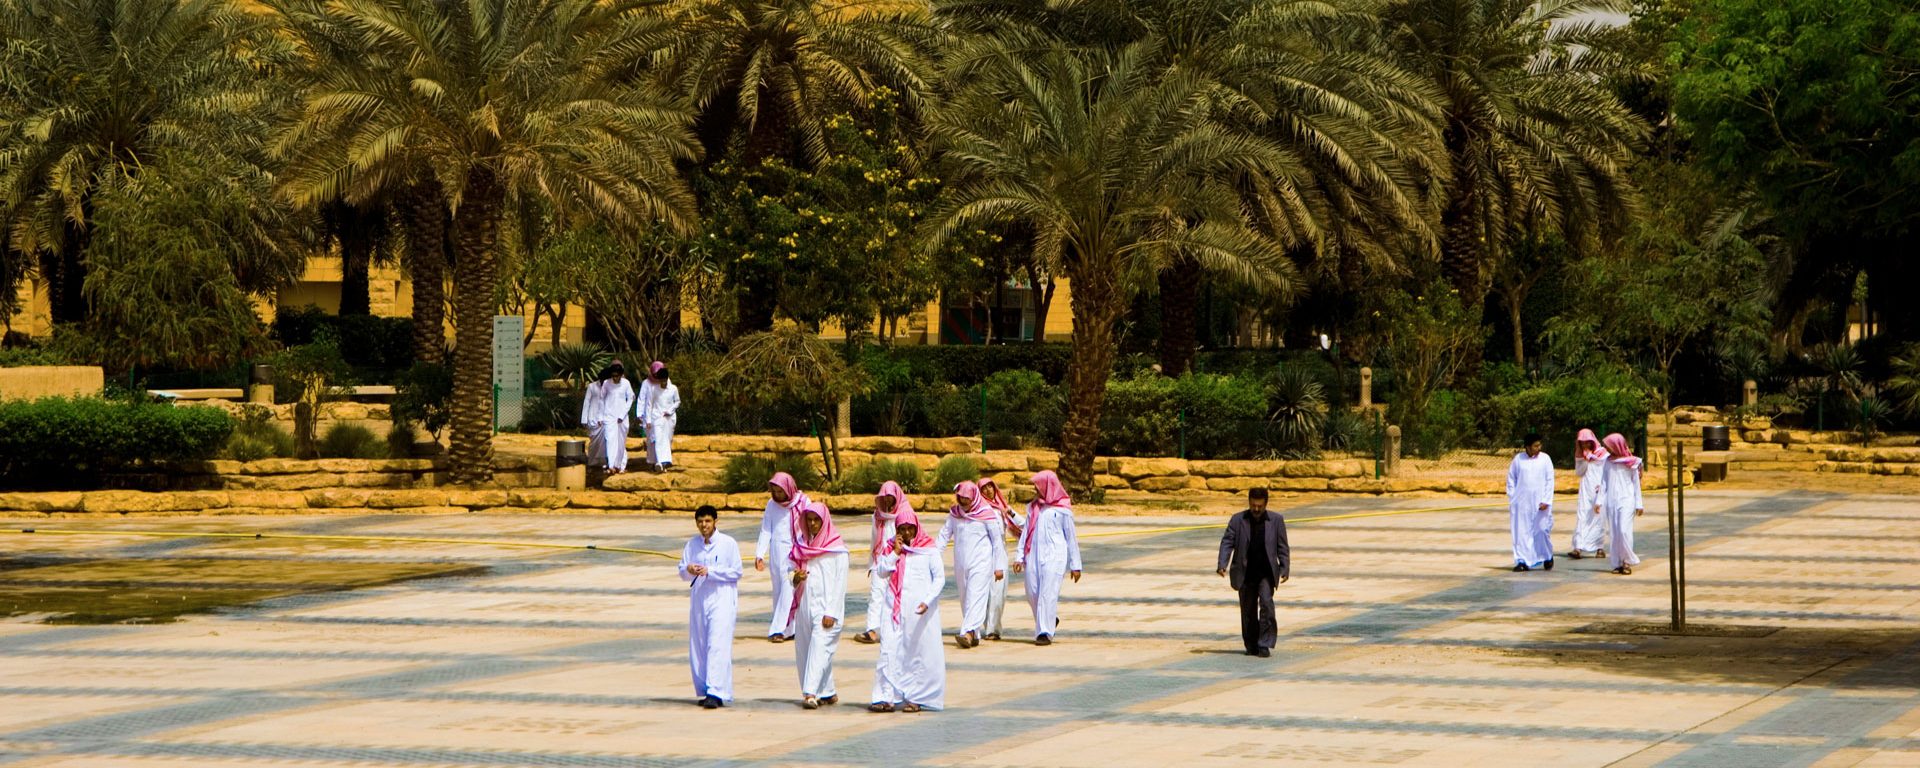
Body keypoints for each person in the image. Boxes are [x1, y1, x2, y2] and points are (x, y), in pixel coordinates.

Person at [869, 508, 946, 713]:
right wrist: (895, 552)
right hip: (893, 608)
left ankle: (915, 697)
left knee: (916, 654)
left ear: (916, 528)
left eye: (909, 528)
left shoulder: (929, 549)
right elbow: (882, 571)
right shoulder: (891, 548)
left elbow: (939, 578)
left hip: (920, 611)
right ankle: (884, 697)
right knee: (888, 650)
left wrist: (928, 601)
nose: (906, 533)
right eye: (901, 529)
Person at [678, 505, 741, 709]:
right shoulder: (692, 545)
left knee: (717, 643)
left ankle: (717, 691)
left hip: (721, 599)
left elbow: (736, 571)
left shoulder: (728, 544)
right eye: (700, 522)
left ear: (715, 521)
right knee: (700, 644)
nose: (704, 525)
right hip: (699, 600)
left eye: (707, 521)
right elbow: (682, 570)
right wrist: (689, 569)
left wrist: (711, 571)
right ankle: (706, 689)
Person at [1217, 488, 1290, 657]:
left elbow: (1282, 546)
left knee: (1267, 605)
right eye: (1253, 505)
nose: (1256, 509)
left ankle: (1264, 643)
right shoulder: (1237, 520)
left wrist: (1285, 567)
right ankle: (1251, 644)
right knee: (1248, 611)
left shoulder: (1276, 520)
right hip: (1245, 573)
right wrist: (1222, 563)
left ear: (1266, 504)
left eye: (1259, 506)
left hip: (1265, 572)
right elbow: (1227, 542)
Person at [789, 500, 848, 709]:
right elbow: (789, 571)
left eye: (816, 520)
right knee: (806, 648)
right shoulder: (801, 546)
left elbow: (839, 584)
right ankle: (828, 690)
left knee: (820, 648)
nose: (813, 524)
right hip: (805, 604)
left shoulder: (837, 550)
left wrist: (831, 611)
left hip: (826, 608)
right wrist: (795, 577)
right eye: (809, 520)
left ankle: (810, 693)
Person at [1012, 470, 1082, 646]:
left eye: (1038, 486)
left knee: (1047, 593)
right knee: (1032, 592)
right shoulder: (1034, 508)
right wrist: (1019, 556)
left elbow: (1071, 538)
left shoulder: (1063, 510)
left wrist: (1076, 565)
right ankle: (1050, 619)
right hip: (1033, 555)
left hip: (1055, 556)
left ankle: (1044, 632)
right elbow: (1026, 532)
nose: (1035, 489)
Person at [934, 481, 1000, 649]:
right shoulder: (955, 514)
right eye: (960, 498)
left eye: (966, 499)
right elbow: (944, 535)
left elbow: (997, 542)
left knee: (975, 596)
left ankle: (967, 632)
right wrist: (932, 556)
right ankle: (974, 634)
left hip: (982, 563)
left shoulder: (987, 514)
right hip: (961, 564)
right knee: (965, 599)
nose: (963, 502)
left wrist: (998, 566)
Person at [755, 472, 810, 641]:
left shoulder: (803, 502)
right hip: (777, 552)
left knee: (789, 587)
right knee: (779, 590)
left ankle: (777, 629)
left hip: (796, 552)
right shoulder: (771, 505)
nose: (778, 496)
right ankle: (789, 628)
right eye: (775, 492)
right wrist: (760, 554)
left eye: (781, 492)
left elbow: (811, 525)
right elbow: (766, 529)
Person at [855, 481, 909, 645]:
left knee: (899, 595)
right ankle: (871, 630)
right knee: (876, 594)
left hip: (898, 560)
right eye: (884, 497)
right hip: (880, 562)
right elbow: (874, 540)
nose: (887, 501)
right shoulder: (877, 516)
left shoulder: (905, 514)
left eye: (890, 497)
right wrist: (872, 563)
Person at [977, 478, 1020, 641]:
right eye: (984, 488)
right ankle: (988, 628)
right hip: (984, 553)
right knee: (986, 592)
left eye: (990, 487)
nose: (988, 491)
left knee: (998, 592)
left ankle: (994, 628)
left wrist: (1010, 512)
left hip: (1000, 552)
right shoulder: (979, 509)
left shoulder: (1001, 507)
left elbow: (1021, 524)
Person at [1506, 432, 1556, 572]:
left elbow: (1549, 480)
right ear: (1527, 447)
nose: (1539, 448)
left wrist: (1546, 500)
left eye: (1539, 445)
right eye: (1535, 445)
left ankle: (1547, 555)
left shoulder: (1545, 459)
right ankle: (1522, 561)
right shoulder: (1518, 460)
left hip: (1541, 502)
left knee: (1541, 530)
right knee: (1521, 531)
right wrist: (1513, 498)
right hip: (1521, 503)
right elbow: (1511, 480)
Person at [1599, 433, 1645, 575]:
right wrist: (1598, 501)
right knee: (1615, 532)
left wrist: (1639, 504)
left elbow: (1636, 484)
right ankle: (1617, 563)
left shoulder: (1632, 462)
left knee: (1624, 531)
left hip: (1627, 500)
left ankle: (1627, 560)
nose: (1607, 448)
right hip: (1611, 501)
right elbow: (1603, 482)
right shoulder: (1607, 462)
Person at [578, 361, 633, 474]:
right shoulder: (606, 384)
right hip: (608, 417)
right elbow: (601, 401)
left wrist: (622, 415)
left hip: (622, 418)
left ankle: (620, 466)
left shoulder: (626, 384)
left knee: (620, 442)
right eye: (613, 376)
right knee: (610, 440)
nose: (615, 378)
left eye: (617, 376)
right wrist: (600, 417)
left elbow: (631, 399)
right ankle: (611, 465)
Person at [1568, 429, 1610, 560]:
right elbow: (1579, 472)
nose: (1585, 446)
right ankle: (1578, 547)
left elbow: (1607, 471)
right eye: (1582, 443)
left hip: (1599, 488)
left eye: (1588, 443)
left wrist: (1602, 486)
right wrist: (1586, 460)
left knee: (1599, 517)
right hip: (1586, 489)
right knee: (1583, 515)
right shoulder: (1581, 456)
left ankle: (1599, 547)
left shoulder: (1603, 454)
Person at [637, 361, 681, 473]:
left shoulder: (673, 388)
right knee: (656, 439)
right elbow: (647, 403)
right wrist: (646, 419)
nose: (662, 382)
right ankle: (658, 462)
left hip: (669, 418)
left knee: (666, 439)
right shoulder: (651, 387)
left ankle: (664, 462)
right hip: (655, 417)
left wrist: (670, 411)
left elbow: (677, 401)